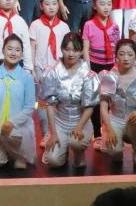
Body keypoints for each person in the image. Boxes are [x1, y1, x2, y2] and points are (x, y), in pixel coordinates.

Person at [41, 33, 99, 169]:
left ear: (81, 51)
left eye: (75, 50)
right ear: (62, 49)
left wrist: (79, 127)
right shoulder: (53, 72)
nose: (71, 54)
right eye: (67, 49)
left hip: (81, 122)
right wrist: (53, 133)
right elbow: (50, 105)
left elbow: (90, 107)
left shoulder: (88, 74)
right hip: (60, 123)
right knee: (54, 161)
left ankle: (79, 154)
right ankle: (62, 150)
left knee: (76, 142)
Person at [98, 39, 136, 170]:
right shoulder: (110, 76)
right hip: (115, 119)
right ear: (116, 56)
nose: (126, 58)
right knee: (113, 151)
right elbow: (103, 107)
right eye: (122, 54)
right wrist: (109, 129)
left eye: (130, 54)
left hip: (134, 120)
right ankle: (117, 152)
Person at [0, 34, 36, 169]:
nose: (13, 53)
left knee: (12, 133)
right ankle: (5, 150)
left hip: (18, 130)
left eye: (17, 50)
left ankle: (20, 155)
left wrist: (12, 123)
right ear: (2, 50)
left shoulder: (27, 77)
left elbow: (29, 108)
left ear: (22, 53)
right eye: (9, 49)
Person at [30, 0, 71, 74]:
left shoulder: (64, 27)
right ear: (41, 6)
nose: (51, 7)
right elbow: (32, 49)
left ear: (58, 5)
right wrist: (32, 70)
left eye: (54, 4)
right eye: (47, 4)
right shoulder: (35, 25)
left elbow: (68, 49)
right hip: (40, 68)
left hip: (60, 69)